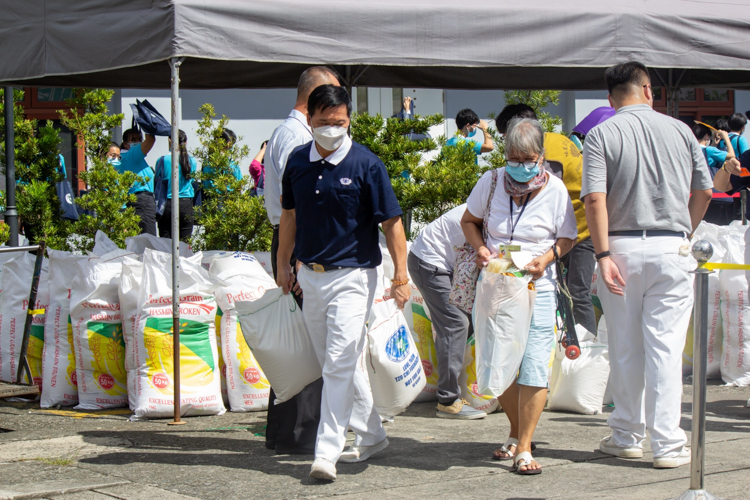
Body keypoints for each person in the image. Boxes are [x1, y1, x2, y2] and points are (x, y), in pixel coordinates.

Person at [581, 61, 713, 469]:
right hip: (672, 247)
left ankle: (626, 435)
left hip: (618, 246)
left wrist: (602, 255)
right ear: (648, 89)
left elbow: (595, 199)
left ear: (610, 97)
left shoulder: (602, 134)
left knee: (624, 347)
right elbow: (705, 191)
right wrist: (683, 233)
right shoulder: (680, 130)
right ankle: (669, 445)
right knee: (665, 350)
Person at [277, 85, 410, 482]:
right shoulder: (298, 161)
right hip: (310, 276)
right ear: (310, 121)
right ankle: (373, 434)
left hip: (354, 276)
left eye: (339, 123)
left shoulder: (367, 164)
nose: (332, 129)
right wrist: (284, 263)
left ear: (348, 119)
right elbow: (289, 217)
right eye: (323, 123)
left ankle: (326, 452)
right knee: (337, 363)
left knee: (337, 363)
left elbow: (392, 223)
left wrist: (400, 274)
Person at [461, 118, 578, 475]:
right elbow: (469, 221)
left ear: (541, 157)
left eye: (528, 159)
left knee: (533, 364)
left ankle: (524, 446)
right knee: (502, 363)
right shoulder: (492, 181)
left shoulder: (556, 190)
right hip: (498, 286)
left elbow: (567, 237)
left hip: (537, 286)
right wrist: (480, 248)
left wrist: (546, 258)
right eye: (514, 158)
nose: (521, 166)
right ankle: (514, 429)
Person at [263, 65, 340, 456]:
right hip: (300, 241)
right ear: (316, 98)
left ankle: (288, 433)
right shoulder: (297, 137)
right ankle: (300, 433)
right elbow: (297, 206)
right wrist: (291, 261)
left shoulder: (285, 131)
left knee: (299, 341)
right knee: (308, 343)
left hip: (293, 240)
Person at [496, 104, 598, 334]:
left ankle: (584, 353)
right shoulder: (555, 139)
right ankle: (570, 344)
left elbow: (538, 201)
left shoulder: (542, 155)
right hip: (576, 225)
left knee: (577, 293)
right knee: (568, 291)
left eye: (506, 135)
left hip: (578, 231)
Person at [408, 204, 486, 420]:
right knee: (455, 323)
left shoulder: (499, 207)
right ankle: (448, 400)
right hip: (429, 262)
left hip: (450, 265)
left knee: (465, 321)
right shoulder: (488, 210)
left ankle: (455, 386)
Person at [692, 123, 737, 225]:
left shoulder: (691, 150)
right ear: (707, 136)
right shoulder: (710, 150)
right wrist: (726, 138)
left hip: (697, 194)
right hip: (715, 196)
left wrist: (714, 145)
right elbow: (731, 156)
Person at [156, 130, 197, 240]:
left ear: (170, 140)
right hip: (186, 204)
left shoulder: (162, 160)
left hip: (167, 204)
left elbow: (158, 180)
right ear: (186, 142)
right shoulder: (192, 161)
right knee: (185, 244)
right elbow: (192, 180)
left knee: (165, 244)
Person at [117, 130, 157, 236]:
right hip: (142, 201)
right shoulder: (130, 155)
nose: (138, 142)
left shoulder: (125, 158)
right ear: (126, 144)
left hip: (137, 202)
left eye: (140, 139)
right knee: (148, 241)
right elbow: (150, 140)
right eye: (133, 140)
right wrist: (146, 122)